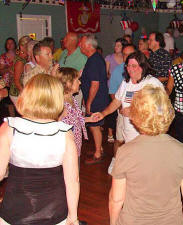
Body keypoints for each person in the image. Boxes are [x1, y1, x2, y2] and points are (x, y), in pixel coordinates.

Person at [109, 85, 183, 225]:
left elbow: (116, 199)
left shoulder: (125, 152)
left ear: (137, 115)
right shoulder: (182, 151)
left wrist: (113, 223)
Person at [0, 74, 79, 225]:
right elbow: (72, 181)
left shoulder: (10, 128)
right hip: (54, 212)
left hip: (15, 212)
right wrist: (73, 217)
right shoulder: (64, 133)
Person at [95, 51, 163, 143]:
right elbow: (116, 101)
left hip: (147, 136)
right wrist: (103, 114)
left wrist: (134, 112)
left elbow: (160, 109)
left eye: (134, 66)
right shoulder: (126, 83)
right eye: (128, 66)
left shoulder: (152, 83)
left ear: (142, 66)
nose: (130, 69)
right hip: (129, 136)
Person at [55, 67, 100, 167]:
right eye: (77, 80)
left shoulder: (72, 99)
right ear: (68, 83)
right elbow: (53, 127)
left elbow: (75, 119)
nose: (80, 82)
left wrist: (89, 119)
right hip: (66, 148)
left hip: (76, 145)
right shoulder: (61, 105)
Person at [80, 34, 109, 165]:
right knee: (92, 125)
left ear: (88, 46)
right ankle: (99, 148)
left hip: (96, 99)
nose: (79, 46)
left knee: (95, 125)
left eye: (81, 44)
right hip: (94, 98)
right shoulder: (93, 59)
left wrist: (89, 103)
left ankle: (98, 153)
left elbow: (95, 84)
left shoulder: (95, 60)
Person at [107, 44, 136, 175]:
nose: (127, 57)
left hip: (138, 114)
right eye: (124, 54)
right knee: (119, 139)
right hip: (122, 112)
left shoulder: (142, 70)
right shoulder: (118, 71)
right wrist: (119, 107)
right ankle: (115, 160)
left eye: (129, 54)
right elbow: (112, 91)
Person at [105, 38, 128, 143]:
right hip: (113, 87)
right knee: (112, 112)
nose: (116, 47)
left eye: (118, 45)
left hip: (124, 90)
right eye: (116, 45)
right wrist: (111, 75)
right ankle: (110, 133)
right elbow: (106, 73)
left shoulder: (128, 61)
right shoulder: (109, 58)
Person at [9, 35, 31, 106]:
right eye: (28, 46)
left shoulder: (23, 58)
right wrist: (25, 94)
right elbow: (16, 81)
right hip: (17, 93)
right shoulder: (20, 61)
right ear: (22, 47)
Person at [0, 37, 17, 117]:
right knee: (9, 103)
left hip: (17, 81)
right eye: (8, 43)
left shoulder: (18, 55)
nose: (10, 45)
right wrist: (8, 69)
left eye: (11, 43)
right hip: (7, 83)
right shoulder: (3, 57)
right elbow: (1, 71)